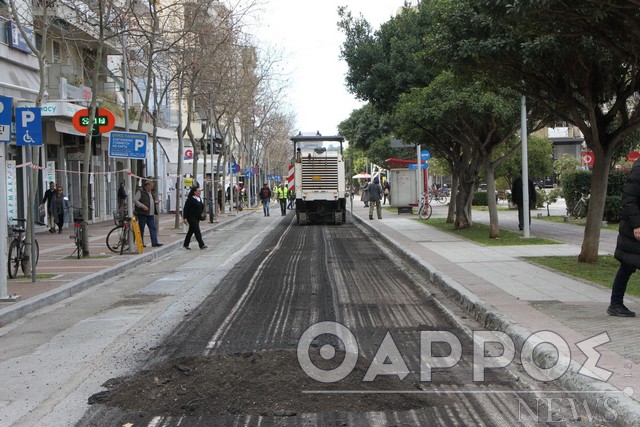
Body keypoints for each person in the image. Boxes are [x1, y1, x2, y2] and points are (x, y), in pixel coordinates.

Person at [608, 160, 640, 317]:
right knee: (627, 265)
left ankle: (615, 303)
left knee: (627, 266)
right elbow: (628, 199)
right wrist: (637, 225)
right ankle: (615, 304)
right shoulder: (639, 170)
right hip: (634, 229)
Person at [134, 179, 163, 247]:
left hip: (150, 214)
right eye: (151, 186)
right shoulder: (140, 191)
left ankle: (155, 242)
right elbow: (135, 200)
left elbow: (150, 200)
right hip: (143, 214)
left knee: (153, 228)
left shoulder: (151, 193)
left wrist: (155, 202)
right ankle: (141, 243)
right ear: (147, 186)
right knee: (141, 228)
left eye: (152, 186)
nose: (152, 187)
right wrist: (142, 206)